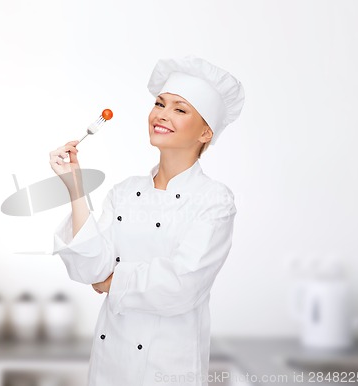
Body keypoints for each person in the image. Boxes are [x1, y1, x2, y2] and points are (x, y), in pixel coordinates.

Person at [49, 56, 245, 386]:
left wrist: (112, 282)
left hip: (169, 370)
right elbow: (88, 269)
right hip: (110, 367)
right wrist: (75, 187)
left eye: (180, 109)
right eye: (159, 103)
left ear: (206, 131)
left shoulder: (214, 200)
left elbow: (182, 285)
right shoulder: (124, 193)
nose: (162, 115)